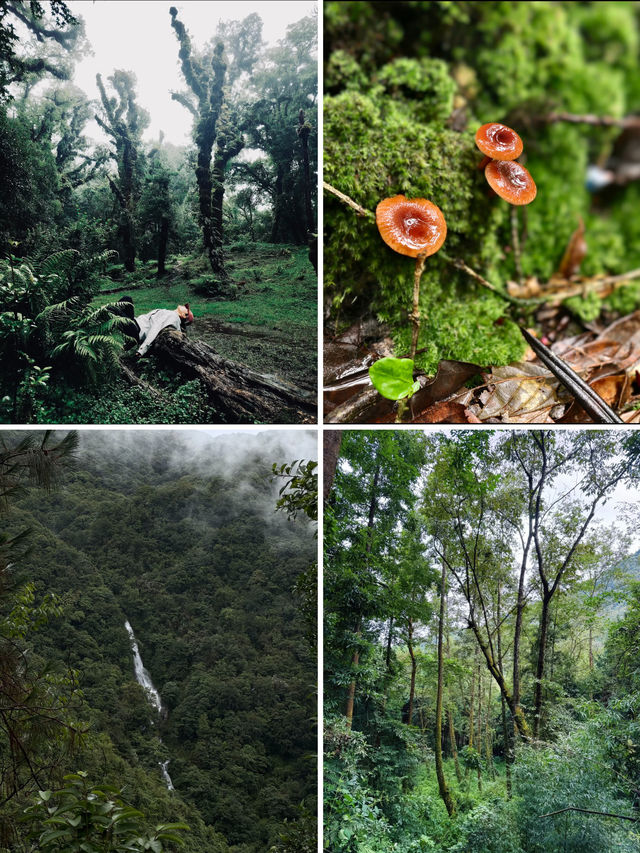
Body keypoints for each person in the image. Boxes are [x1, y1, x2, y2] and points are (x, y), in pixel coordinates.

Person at [113, 297, 194, 356]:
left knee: (112, 309)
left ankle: (103, 315)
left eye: (186, 308)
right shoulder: (170, 314)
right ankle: (130, 342)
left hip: (136, 329)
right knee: (127, 301)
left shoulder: (173, 317)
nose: (184, 306)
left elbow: (155, 328)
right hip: (135, 323)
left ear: (184, 315)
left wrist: (142, 350)